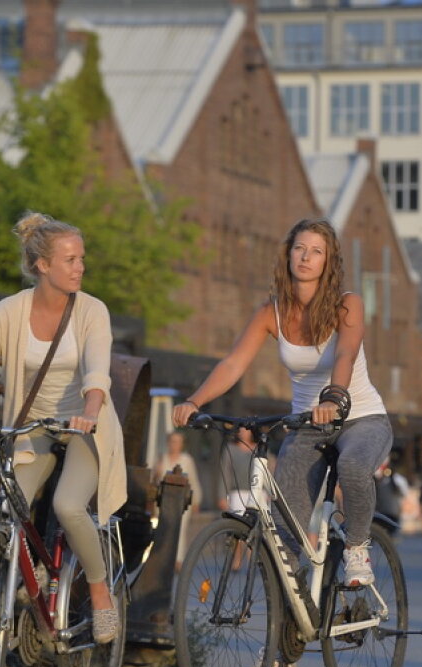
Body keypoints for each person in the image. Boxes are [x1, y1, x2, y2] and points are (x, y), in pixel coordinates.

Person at [0, 211, 127, 645]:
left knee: (69, 507)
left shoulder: (92, 311)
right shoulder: (9, 312)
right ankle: (6, 592)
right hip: (32, 425)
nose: (80, 268)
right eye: (70, 260)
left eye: (81, 259)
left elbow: (98, 373)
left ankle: (99, 590)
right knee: (7, 507)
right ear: (42, 265)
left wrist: (90, 410)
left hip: (84, 426)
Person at [171, 217, 394, 592]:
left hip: (361, 418)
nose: (306, 257)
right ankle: (288, 619)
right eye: (299, 248)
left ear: (329, 261)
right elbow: (233, 363)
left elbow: (346, 354)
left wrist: (334, 396)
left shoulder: (347, 305)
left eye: (316, 251)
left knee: (353, 465)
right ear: (288, 255)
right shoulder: (270, 313)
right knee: (286, 526)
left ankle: (357, 546)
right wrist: (195, 400)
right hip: (308, 424)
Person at [153, 430, 203, 568]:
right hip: (163, 501)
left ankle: (178, 560)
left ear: (182, 444)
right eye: (172, 441)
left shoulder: (187, 460)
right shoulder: (162, 459)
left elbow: (193, 480)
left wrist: (196, 501)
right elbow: (155, 480)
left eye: (177, 442)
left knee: (180, 529)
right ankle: (163, 559)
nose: (174, 444)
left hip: (181, 501)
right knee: (163, 530)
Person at [218, 426, 256, 515]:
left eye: (246, 430)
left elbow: (268, 470)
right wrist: (222, 496)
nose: (243, 433)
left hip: (258, 493)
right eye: (241, 430)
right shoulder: (230, 449)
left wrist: (269, 493)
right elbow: (225, 473)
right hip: (237, 494)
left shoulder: (259, 449)